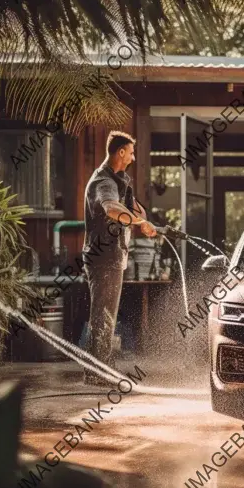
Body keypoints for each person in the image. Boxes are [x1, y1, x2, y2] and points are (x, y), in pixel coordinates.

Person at [82, 131, 157, 386]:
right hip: (103, 257)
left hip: (113, 256)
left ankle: (101, 368)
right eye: (131, 152)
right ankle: (97, 372)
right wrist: (139, 222)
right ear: (120, 152)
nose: (134, 157)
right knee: (102, 314)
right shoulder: (103, 182)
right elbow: (112, 209)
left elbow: (136, 209)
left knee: (107, 315)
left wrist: (141, 218)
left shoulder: (117, 180)